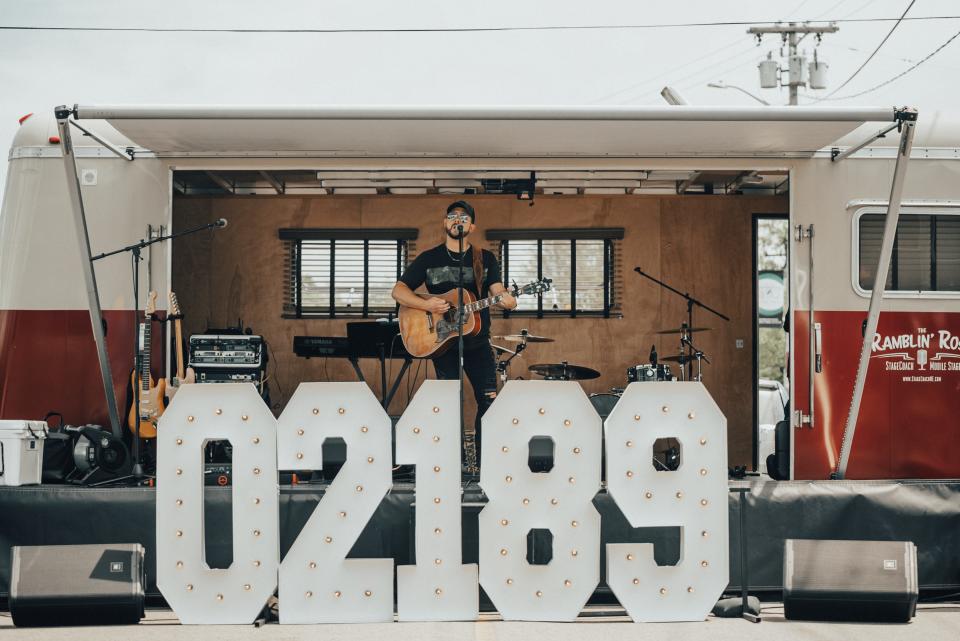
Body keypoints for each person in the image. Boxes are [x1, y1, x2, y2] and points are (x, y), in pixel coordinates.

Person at [391, 200, 517, 468]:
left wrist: (507, 299)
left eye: (463, 217)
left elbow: (497, 290)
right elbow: (398, 291)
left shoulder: (484, 258)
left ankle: (487, 466)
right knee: (448, 406)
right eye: (452, 216)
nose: (457, 220)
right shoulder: (428, 258)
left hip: (478, 343)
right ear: (445, 223)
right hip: (443, 341)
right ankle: (452, 466)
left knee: (489, 402)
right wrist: (427, 305)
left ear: (472, 225)